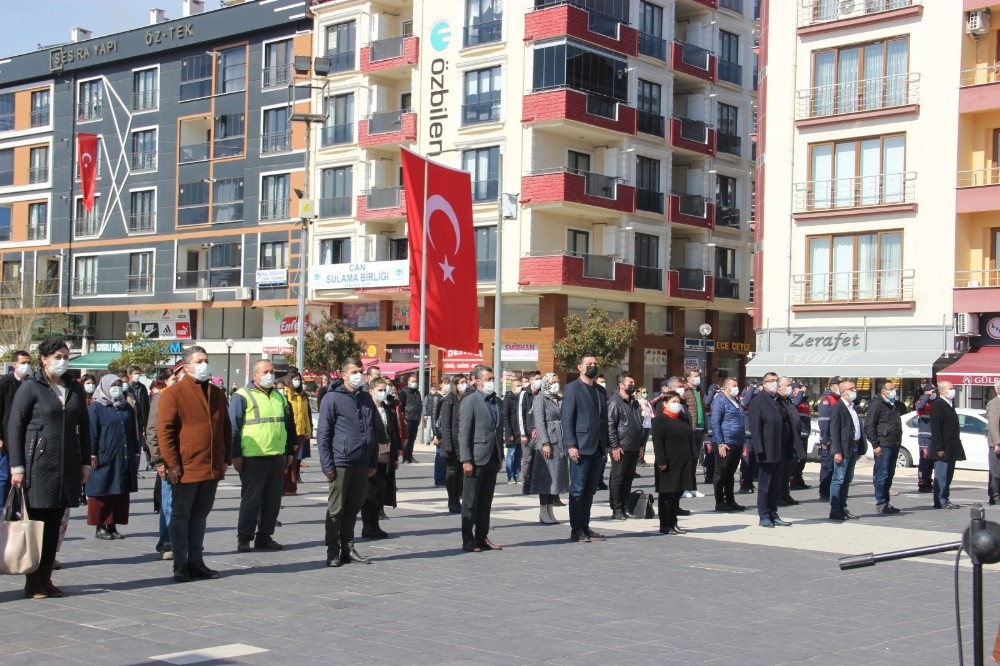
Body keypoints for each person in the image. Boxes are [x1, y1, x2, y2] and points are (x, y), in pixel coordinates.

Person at [7, 338, 91, 599]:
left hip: (67, 466)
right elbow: (15, 426)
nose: (62, 361)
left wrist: (85, 462)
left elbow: (85, 427)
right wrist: (17, 466)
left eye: (65, 356)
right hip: (38, 466)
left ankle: (46, 577)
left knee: (55, 526)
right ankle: (32, 580)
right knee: (36, 524)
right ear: (43, 359)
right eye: (56, 356)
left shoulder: (74, 388)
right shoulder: (31, 387)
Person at [157, 345, 233, 583]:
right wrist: (171, 463)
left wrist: (225, 459)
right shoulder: (173, 394)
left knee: (200, 515)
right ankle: (180, 564)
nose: (204, 365)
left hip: (211, 466)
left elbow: (226, 429)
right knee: (181, 515)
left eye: (206, 360)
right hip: (185, 466)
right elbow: (165, 431)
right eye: (199, 361)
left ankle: (196, 562)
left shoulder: (217, 393)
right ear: (187, 366)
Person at [229, 360, 297, 553]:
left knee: (273, 500)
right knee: (251, 500)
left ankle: (265, 536)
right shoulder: (242, 396)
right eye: (266, 372)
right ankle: (244, 537)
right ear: (255, 375)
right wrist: (235, 455)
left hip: (276, 455)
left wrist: (289, 451)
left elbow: (287, 425)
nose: (270, 375)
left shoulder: (279, 397)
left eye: (272, 371)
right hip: (253, 456)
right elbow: (233, 427)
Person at [317, 358, 377, 568]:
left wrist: (372, 459)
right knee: (336, 509)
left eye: (360, 370)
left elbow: (372, 430)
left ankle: (348, 548)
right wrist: (327, 465)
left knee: (353, 508)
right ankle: (332, 550)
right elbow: (323, 434)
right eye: (354, 371)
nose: (358, 374)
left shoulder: (365, 398)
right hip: (341, 461)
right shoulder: (331, 398)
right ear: (343, 375)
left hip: (362, 462)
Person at [560, 354, 610, 543]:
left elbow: (603, 419)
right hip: (580, 447)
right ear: (580, 367)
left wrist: (606, 445)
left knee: (590, 491)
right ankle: (576, 529)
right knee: (578, 490)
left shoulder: (599, 390)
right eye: (589, 364)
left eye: (595, 364)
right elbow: (567, 418)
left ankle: (585, 526)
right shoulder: (572, 389)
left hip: (597, 448)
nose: (593, 367)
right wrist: (571, 445)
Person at [86, 374, 139, 539]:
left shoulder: (125, 407)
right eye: (113, 385)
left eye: (119, 384)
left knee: (119, 490)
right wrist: (92, 453)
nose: (116, 388)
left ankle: (113, 524)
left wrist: (135, 451)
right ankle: (100, 526)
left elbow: (132, 431)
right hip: (104, 455)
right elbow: (92, 433)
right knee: (102, 490)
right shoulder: (96, 407)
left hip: (123, 454)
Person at [458, 364, 505, 553]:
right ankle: (468, 539)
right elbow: (464, 433)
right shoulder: (470, 401)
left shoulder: (497, 401)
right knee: (470, 503)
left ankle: (482, 537)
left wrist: (500, 456)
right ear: (477, 381)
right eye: (488, 379)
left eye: (493, 379)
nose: (491, 382)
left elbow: (498, 431)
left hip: (492, 458)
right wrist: (466, 459)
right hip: (475, 459)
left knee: (486, 502)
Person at [147, 361, 186, 561]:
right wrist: (159, 460)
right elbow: (152, 431)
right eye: (174, 377)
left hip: (189, 459)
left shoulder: (193, 396)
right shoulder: (161, 397)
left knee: (187, 504)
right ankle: (167, 541)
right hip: (169, 459)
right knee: (169, 502)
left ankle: (185, 541)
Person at [748, 373, 794, 528]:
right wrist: (759, 449)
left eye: (776, 381)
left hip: (780, 448)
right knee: (765, 485)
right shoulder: (758, 401)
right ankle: (764, 515)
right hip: (767, 450)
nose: (774, 383)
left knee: (776, 484)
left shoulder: (779, 401)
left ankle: (774, 513)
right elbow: (755, 427)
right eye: (771, 381)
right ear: (764, 383)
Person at [362, 377, 401, 539]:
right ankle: (368, 525)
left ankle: (375, 523)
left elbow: (394, 430)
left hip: (387, 454)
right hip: (372, 454)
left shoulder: (387, 408)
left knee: (381, 490)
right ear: (371, 391)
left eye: (385, 389)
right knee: (370, 491)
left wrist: (397, 451)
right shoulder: (367, 408)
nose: (383, 393)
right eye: (379, 390)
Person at [651, 391, 695, 535]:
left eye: (678, 402)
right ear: (665, 404)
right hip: (668, 462)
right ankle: (665, 525)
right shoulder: (660, 420)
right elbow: (658, 442)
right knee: (667, 495)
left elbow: (689, 438)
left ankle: (673, 522)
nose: (676, 405)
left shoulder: (682, 418)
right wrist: (661, 460)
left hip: (683, 461)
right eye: (673, 402)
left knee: (677, 493)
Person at [530, 373, 568, 525]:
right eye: (553, 382)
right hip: (548, 440)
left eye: (558, 381)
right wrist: (545, 442)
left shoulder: (558, 398)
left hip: (559, 440)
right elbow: (539, 422)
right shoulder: (540, 399)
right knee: (545, 478)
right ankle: (543, 509)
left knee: (556, 477)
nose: (556, 384)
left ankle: (550, 508)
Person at [607, 371, 643, 520]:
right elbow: (610, 425)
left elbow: (638, 423)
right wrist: (614, 446)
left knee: (628, 478)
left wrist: (640, 445)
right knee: (618, 478)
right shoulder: (615, 401)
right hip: (621, 447)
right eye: (630, 383)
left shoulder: (634, 402)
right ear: (621, 385)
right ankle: (616, 509)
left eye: (633, 383)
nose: (633, 385)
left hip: (634, 446)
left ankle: (626, 506)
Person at [865, 380, 905, 514]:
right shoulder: (877, 404)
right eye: (891, 389)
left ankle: (886, 502)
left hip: (894, 443)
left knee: (889, 474)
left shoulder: (893, 404)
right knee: (882, 474)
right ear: (883, 391)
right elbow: (869, 425)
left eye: (894, 388)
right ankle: (881, 503)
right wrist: (875, 444)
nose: (894, 391)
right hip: (883, 444)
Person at [828, 379, 865, 521]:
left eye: (854, 388)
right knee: (838, 479)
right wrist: (837, 451)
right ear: (843, 392)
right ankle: (835, 509)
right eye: (851, 389)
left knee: (847, 479)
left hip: (853, 447)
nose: (854, 391)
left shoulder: (852, 407)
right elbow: (834, 430)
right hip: (842, 449)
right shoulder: (837, 407)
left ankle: (843, 507)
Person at [0, 350, 33, 506]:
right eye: (23, 362)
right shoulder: (5, 383)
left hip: (27, 438)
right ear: (15, 365)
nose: (26, 366)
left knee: (23, 476)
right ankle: (2, 507)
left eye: (29, 362)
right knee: (5, 476)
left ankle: (17, 508)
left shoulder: (32, 383)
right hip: (7, 438)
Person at [710, 377, 746, 513]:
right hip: (726, 441)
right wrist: (720, 443)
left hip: (737, 441)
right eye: (733, 385)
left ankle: (730, 500)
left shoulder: (736, 401)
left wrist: (742, 442)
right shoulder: (720, 400)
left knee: (730, 473)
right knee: (721, 471)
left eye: (737, 385)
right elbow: (715, 422)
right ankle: (720, 502)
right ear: (726, 387)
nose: (736, 388)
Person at [929, 380, 965, 510]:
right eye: (950, 388)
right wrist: (939, 448)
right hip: (942, 447)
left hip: (951, 446)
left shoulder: (950, 404)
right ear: (942, 391)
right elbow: (936, 428)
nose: (953, 390)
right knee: (941, 475)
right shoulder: (938, 405)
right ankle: (939, 500)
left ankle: (945, 497)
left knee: (948, 475)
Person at [438, 375, 469, 514]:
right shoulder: (448, 400)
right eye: (461, 382)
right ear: (455, 385)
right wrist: (448, 444)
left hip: (463, 442)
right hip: (451, 443)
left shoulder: (466, 399)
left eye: (465, 382)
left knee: (461, 473)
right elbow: (445, 425)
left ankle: (458, 498)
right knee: (452, 472)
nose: (464, 385)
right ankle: (452, 500)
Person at [283, 370, 312, 496]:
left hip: (300, 432)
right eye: (294, 379)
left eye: (298, 379)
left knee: (294, 461)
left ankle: (291, 487)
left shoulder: (303, 396)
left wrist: (308, 430)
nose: (297, 381)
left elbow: (306, 414)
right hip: (289, 431)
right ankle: (284, 486)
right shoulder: (285, 394)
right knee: (287, 460)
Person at [816, 376, 842, 500]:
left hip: (837, 438)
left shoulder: (838, 399)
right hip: (829, 439)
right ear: (832, 386)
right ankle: (824, 490)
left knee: (835, 466)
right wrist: (825, 439)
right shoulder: (827, 399)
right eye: (839, 384)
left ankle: (831, 489)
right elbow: (824, 421)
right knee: (827, 466)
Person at [518, 372, 543, 494]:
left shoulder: (540, 394)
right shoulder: (524, 393)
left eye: (540, 379)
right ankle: (526, 484)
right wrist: (522, 433)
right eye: (537, 379)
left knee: (536, 458)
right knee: (527, 458)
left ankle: (534, 482)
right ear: (531, 380)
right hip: (527, 433)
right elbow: (520, 414)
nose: (539, 381)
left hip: (538, 432)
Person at [682, 368, 707, 491]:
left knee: (695, 458)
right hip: (690, 429)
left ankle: (693, 487)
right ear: (688, 378)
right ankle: (685, 487)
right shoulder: (685, 391)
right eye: (695, 376)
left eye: (698, 376)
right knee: (688, 458)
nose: (698, 378)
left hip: (700, 427)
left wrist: (705, 429)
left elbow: (702, 409)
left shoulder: (698, 390)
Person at [126, 365, 151, 471]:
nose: (137, 376)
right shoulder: (126, 387)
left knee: (138, 445)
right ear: (129, 375)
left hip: (140, 421)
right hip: (130, 420)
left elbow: (146, 406)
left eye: (138, 374)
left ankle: (135, 469)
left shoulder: (142, 388)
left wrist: (146, 424)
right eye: (135, 373)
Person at [789, 382, 811, 491]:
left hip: (805, 433)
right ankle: (793, 480)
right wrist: (801, 391)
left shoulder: (804, 402)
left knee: (803, 458)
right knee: (797, 458)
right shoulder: (791, 400)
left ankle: (799, 479)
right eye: (797, 389)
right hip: (798, 434)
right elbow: (795, 404)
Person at [914, 385, 937, 493]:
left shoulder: (933, 402)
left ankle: (929, 482)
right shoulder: (922, 401)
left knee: (931, 461)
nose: (934, 393)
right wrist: (926, 395)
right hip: (924, 436)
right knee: (924, 461)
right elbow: (920, 406)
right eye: (932, 391)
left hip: (933, 435)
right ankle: (923, 483)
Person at [424, 381, 446, 487]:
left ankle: (444, 478)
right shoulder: (437, 397)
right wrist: (436, 433)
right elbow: (434, 416)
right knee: (440, 455)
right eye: (445, 383)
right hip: (439, 430)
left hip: (445, 430)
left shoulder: (446, 397)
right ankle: (440, 479)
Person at [502, 378, 522, 484]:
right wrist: (509, 433)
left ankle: (516, 474)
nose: (520, 387)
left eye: (520, 385)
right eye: (517, 386)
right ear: (512, 387)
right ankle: (510, 476)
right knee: (511, 454)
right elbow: (506, 417)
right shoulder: (508, 399)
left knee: (519, 455)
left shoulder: (521, 398)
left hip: (520, 432)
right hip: (512, 432)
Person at [398, 374, 421, 464]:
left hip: (415, 418)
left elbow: (419, 404)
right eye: (412, 381)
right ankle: (405, 456)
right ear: (408, 382)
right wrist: (402, 418)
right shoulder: (404, 392)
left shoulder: (417, 392)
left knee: (412, 438)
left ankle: (410, 455)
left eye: (415, 381)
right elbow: (401, 406)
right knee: (407, 438)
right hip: (407, 418)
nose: (414, 383)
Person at [985, 381, 1000, 506]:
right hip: (997, 444)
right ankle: (995, 496)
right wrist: (997, 443)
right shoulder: (995, 403)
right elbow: (993, 425)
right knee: (996, 472)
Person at [637, 386, 654, 468]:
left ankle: (642, 458)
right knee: (641, 442)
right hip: (642, 424)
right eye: (643, 392)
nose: (645, 394)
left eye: (646, 392)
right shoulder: (638, 402)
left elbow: (650, 412)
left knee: (644, 442)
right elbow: (641, 413)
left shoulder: (647, 402)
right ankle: (639, 459)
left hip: (648, 423)